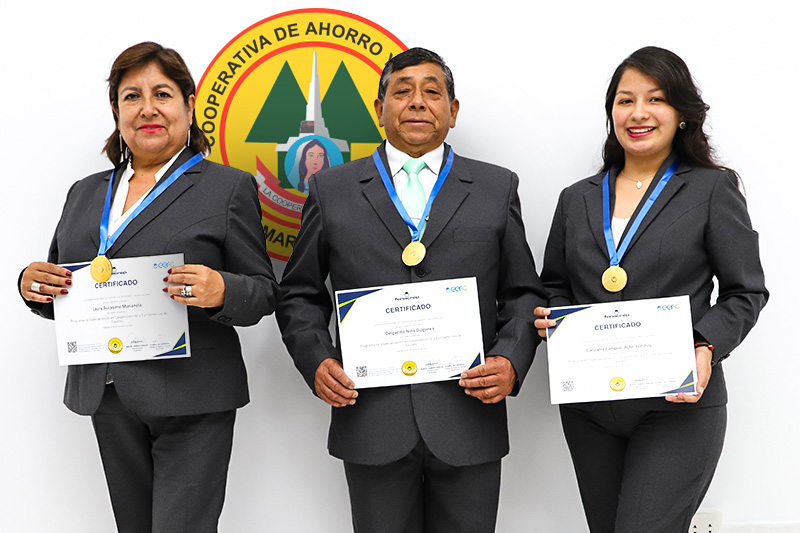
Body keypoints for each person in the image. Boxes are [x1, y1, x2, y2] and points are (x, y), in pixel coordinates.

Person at [277, 47, 548, 532]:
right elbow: (299, 292)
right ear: (379, 109)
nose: (417, 102)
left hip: (469, 415)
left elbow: (523, 292)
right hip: (371, 418)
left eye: (432, 92)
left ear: (453, 110)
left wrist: (510, 360)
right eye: (402, 91)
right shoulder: (332, 190)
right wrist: (317, 360)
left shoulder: (495, 187)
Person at [18, 42, 279, 533]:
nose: (147, 108)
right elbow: (61, 286)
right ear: (117, 112)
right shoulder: (85, 192)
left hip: (192, 395)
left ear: (189, 105)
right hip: (108, 392)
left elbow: (263, 291)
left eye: (162, 93)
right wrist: (32, 285)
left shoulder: (226, 187)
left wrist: (222, 289)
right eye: (132, 96)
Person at [535, 46, 768, 532]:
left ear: (682, 114)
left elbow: (746, 291)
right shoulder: (576, 199)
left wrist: (705, 345)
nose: (638, 113)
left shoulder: (711, 189)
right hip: (590, 407)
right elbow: (555, 284)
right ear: (611, 113)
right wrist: (553, 319)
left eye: (655, 99)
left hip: (677, 404)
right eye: (625, 101)